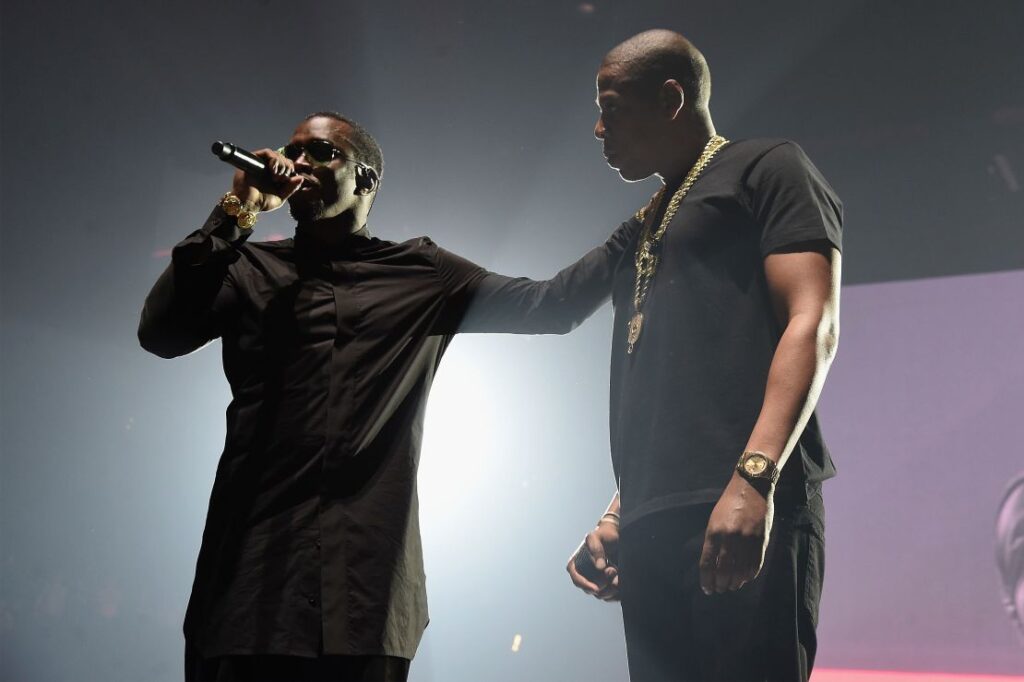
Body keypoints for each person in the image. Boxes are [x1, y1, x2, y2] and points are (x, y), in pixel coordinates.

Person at [138, 111, 637, 681]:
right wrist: (238, 212)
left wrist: (643, 225)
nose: (298, 161)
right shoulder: (248, 266)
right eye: (291, 149)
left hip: (363, 598)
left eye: (321, 153)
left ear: (365, 179)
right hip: (247, 589)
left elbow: (552, 306)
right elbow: (162, 333)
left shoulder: (423, 274)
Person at [564, 30, 843, 681]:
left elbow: (813, 321)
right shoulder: (650, 220)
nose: (600, 128)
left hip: (741, 503)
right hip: (653, 523)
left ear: (670, 99)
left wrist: (754, 479)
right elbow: (672, 383)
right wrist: (620, 510)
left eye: (613, 106)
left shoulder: (766, 167)